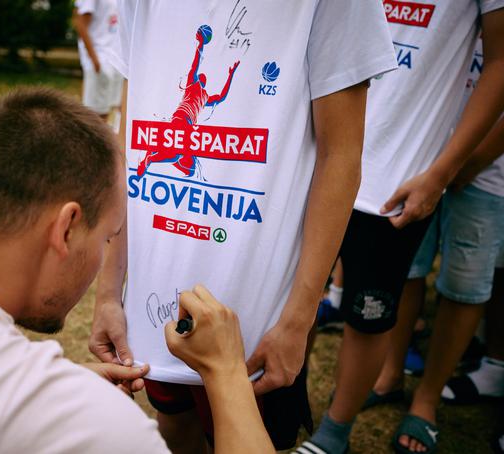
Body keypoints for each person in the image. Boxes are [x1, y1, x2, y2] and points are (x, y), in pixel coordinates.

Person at [0, 88, 275, 454]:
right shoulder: (85, 427)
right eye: (108, 236)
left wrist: (63, 386)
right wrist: (228, 374)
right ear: (67, 228)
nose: (103, 255)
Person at [90, 2, 397, 452]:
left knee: (250, 439)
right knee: (174, 427)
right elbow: (130, 145)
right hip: (155, 305)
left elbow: (342, 156)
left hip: (256, 322)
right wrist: (107, 292)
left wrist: (298, 320)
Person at [303, 2, 504, 453]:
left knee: (376, 309)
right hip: (323, 151)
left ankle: (336, 435)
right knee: (299, 293)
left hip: (398, 169)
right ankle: (295, 404)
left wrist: (446, 169)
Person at [136, 30, 239, 177]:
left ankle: (153, 153)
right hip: (181, 118)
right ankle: (151, 158)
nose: (202, 77)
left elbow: (221, 97)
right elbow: (195, 65)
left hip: (186, 124)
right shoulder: (192, 85)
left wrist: (231, 75)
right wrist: (201, 45)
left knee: (188, 168)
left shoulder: (205, 98)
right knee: (176, 154)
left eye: (203, 77)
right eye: (201, 76)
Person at [73, 0, 123, 122]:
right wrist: (94, 59)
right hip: (100, 59)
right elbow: (80, 23)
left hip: (115, 59)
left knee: (116, 108)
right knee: (96, 115)